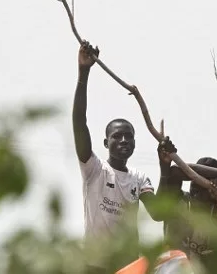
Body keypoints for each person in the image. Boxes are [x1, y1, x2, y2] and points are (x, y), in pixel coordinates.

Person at [72, 42, 168, 242]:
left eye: (129, 136)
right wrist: (84, 72)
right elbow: (80, 123)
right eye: (117, 136)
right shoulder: (94, 169)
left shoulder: (139, 178)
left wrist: (165, 166)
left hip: (128, 266)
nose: (124, 140)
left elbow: (158, 214)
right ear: (106, 143)